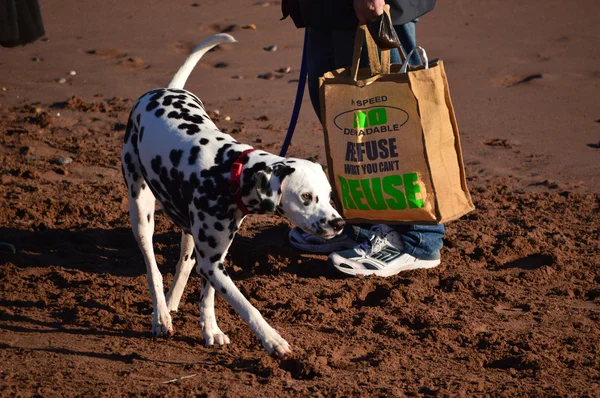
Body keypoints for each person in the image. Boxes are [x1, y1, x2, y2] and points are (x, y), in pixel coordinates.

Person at [282, 0, 445, 277]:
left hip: (371, 5)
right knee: (342, 117)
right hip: (326, 9)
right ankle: (365, 225)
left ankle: (418, 239)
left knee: (393, 117)